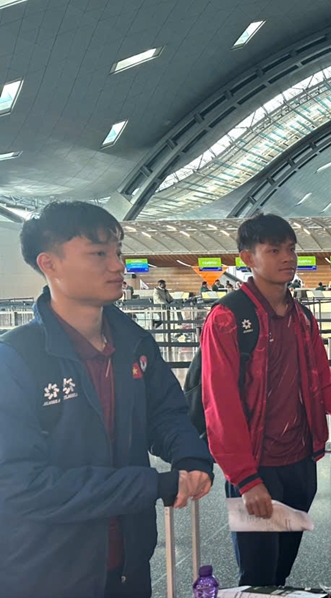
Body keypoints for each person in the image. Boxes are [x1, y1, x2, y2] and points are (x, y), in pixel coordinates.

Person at [0, 201, 213, 598]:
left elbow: (165, 413)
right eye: (99, 254)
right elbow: (18, 483)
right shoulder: (16, 359)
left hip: (130, 561)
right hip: (48, 570)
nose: (118, 265)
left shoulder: (133, 342)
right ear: (49, 263)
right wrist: (149, 485)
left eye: (118, 251)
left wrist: (191, 456)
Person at [201, 213, 331, 588]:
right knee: (258, 576)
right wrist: (246, 479)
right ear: (247, 258)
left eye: (290, 249)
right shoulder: (227, 318)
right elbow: (220, 405)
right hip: (257, 467)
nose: (288, 258)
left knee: (281, 569)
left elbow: (322, 386)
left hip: (300, 463)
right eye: (274, 250)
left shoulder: (303, 318)